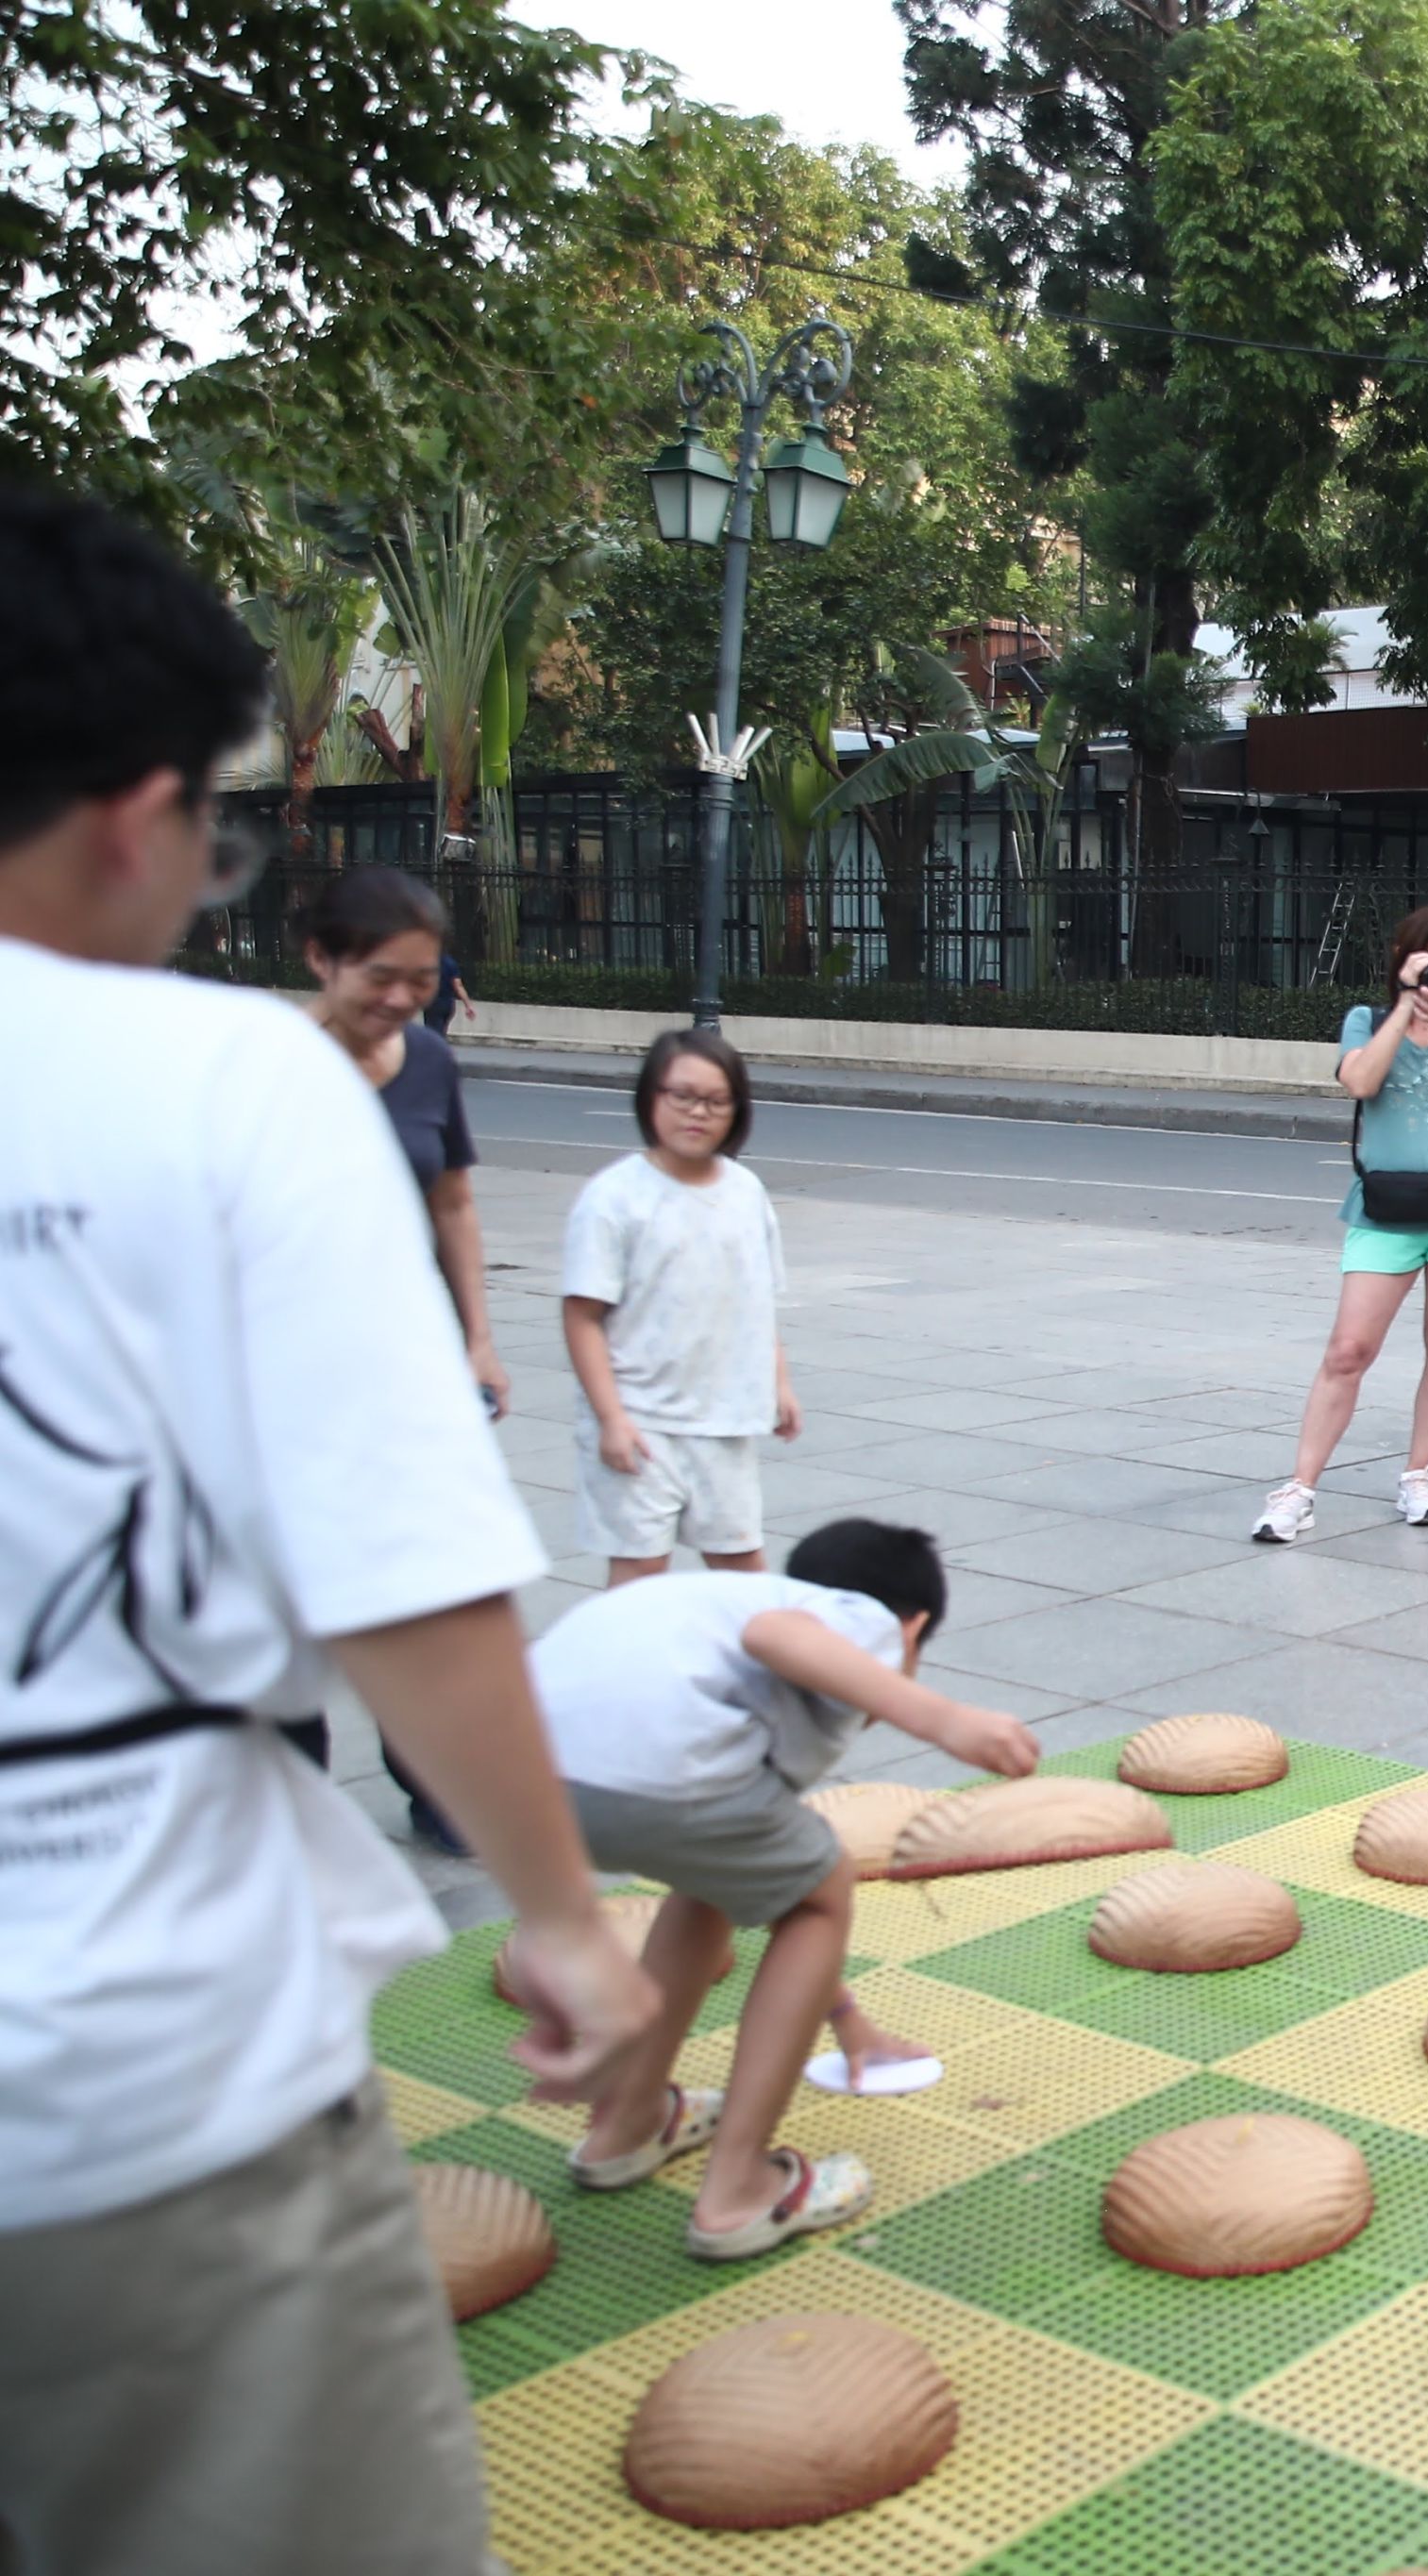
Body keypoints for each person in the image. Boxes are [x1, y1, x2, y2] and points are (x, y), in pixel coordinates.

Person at [0, 485, 655, 2571]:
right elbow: (405, 1577)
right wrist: (562, 1918)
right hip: (125, 2093)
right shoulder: (227, 1079)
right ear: (137, 814)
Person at [531, 1520, 1036, 2258]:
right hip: (650, 1771)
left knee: (724, 1878)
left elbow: (760, 1880)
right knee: (823, 1883)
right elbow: (776, 1635)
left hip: (525, 1778)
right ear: (912, 1628)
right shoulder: (855, 1616)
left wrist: (846, 2017)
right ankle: (738, 2188)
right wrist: (946, 1719)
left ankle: (626, 2126)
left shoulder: (715, 1611)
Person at [305, 863, 514, 1855]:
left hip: (412, 1366)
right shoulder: (269, 1068)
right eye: (379, 977)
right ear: (321, 960)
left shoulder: (428, 1060)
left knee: (419, 1588)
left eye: (420, 980)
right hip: (295, 1376)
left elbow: (454, 1203)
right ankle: (290, 1800)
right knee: (296, 1595)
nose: (399, 999)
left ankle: (435, 1783)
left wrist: (477, 1338)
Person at [1256, 909, 1428, 1542]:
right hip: (1383, 1210)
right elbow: (1359, 1081)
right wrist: (1404, 1007)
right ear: (1401, 962)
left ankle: (1418, 1476)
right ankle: (1299, 1489)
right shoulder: (1366, 1021)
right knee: (1348, 1350)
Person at [564, 1029, 798, 1583]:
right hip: (641, 1419)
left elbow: (756, 1303)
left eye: (716, 1101)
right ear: (652, 1097)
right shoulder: (614, 1197)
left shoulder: (746, 1192)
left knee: (741, 1568)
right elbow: (582, 1316)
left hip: (724, 1421)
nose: (698, 1113)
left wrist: (780, 1385)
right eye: (683, 1096)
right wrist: (611, 1419)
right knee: (641, 1570)